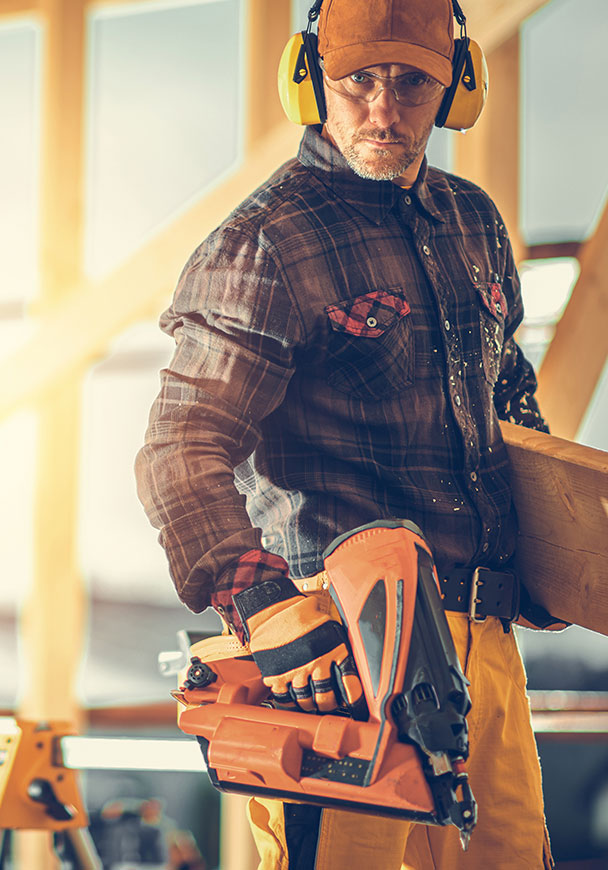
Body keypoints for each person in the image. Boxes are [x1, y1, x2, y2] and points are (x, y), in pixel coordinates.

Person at [136, 0, 564, 866]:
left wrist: (561, 542)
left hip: (484, 639)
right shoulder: (264, 242)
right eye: (357, 80)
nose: (383, 108)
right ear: (310, 82)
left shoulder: (472, 222)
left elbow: (505, 391)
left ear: (457, 87)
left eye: (412, 82)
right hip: (344, 659)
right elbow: (181, 444)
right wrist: (261, 603)